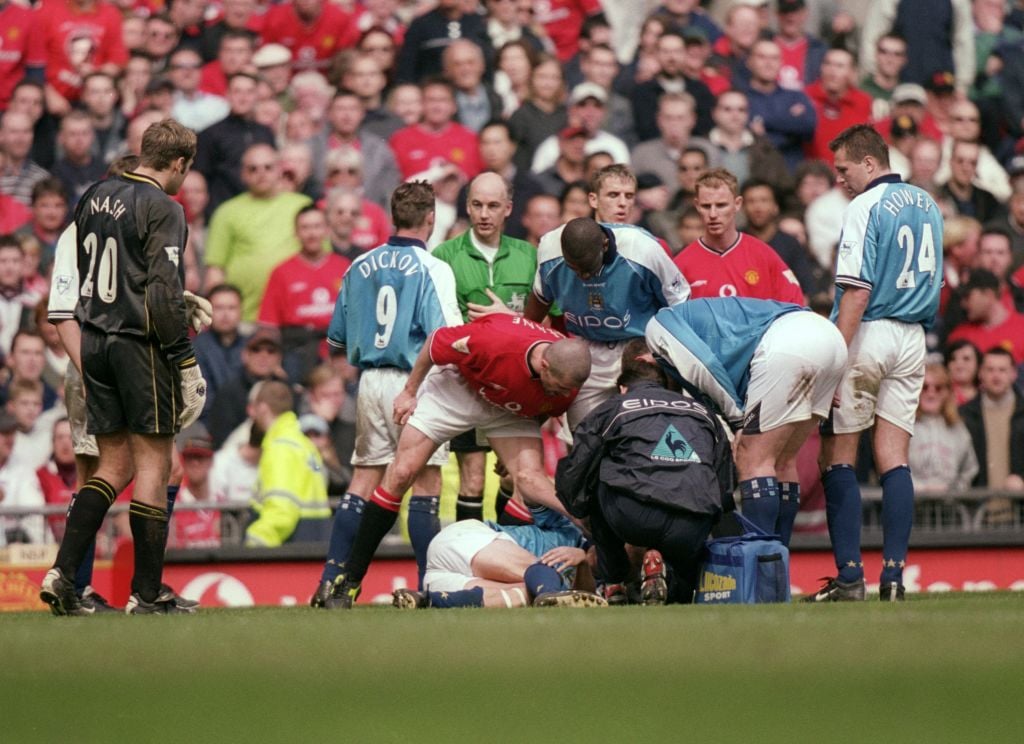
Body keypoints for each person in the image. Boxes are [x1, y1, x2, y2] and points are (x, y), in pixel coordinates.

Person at [40, 119, 207, 615]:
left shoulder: (94, 195)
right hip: (139, 346)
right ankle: (147, 592)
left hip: (95, 343)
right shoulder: (164, 208)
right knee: (154, 466)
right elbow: (158, 290)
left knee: (112, 466)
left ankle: (62, 571)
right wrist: (184, 358)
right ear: (178, 163)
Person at [325, 312, 591, 609]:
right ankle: (348, 581)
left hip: (510, 409)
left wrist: (516, 448)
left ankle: (571, 521)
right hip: (458, 389)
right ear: (544, 364)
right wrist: (409, 392)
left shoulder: (567, 379)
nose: (567, 394)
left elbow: (546, 406)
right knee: (401, 473)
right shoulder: (493, 343)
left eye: (570, 389)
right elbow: (434, 342)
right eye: (561, 386)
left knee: (528, 477)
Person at [311, 180, 462, 608]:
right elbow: (444, 337)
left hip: (369, 381)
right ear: (431, 218)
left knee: (363, 479)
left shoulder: (359, 264)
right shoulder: (434, 269)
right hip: (414, 380)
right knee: (426, 481)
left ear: (393, 217)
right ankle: (428, 586)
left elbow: (337, 340)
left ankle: (331, 580)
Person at [811, 124, 944, 603]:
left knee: (838, 455)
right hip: (913, 338)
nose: (841, 179)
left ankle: (850, 576)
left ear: (869, 163)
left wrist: (834, 359)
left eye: (844, 168)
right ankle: (893, 576)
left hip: (870, 332)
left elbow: (857, 289)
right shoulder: (928, 203)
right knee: (894, 457)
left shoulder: (864, 206)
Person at [646, 296, 846, 546]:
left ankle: (759, 565)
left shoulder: (657, 328)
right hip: (828, 338)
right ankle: (776, 568)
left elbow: (705, 367)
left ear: (643, 359)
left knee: (753, 459)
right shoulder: (703, 319)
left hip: (789, 343)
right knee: (782, 461)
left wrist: (738, 423)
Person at [556, 340, 733, 604]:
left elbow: (576, 472)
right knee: (680, 595)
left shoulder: (612, 409)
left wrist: (581, 511)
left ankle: (614, 584)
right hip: (693, 522)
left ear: (623, 387)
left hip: (634, 517)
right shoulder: (703, 412)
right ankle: (669, 578)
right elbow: (725, 483)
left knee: (594, 475)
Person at [526, 167, 691, 430]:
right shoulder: (551, 245)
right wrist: (523, 342)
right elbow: (539, 299)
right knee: (585, 440)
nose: (622, 202)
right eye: (614, 194)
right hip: (584, 350)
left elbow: (680, 303)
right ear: (592, 199)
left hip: (638, 348)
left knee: (646, 435)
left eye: (629, 196)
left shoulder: (645, 248)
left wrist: (662, 353)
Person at [432, 172, 539, 523]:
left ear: (508, 208)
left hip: (517, 385)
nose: (484, 214)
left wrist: (508, 318)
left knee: (516, 477)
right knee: (473, 479)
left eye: (493, 206)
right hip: (465, 384)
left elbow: (547, 326)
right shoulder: (444, 255)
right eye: (477, 205)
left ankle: (504, 548)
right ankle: (468, 558)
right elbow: (435, 324)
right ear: (466, 206)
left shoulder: (529, 255)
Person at [393, 507, 604, 609]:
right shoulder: (568, 528)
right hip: (464, 542)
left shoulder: (597, 575)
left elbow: (582, 601)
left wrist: (583, 561)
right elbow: (528, 482)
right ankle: (549, 594)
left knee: (523, 597)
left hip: (441, 582)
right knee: (540, 573)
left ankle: (426, 600)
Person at [204, 143, 312, 321]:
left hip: (299, 315)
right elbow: (215, 270)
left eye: (268, 167)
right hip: (244, 317)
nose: (261, 173)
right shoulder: (226, 212)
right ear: (243, 175)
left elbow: (322, 257)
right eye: (253, 169)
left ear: (279, 170)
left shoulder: (303, 205)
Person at [673, 168, 804, 304]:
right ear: (697, 206)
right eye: (706, 206)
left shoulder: (764, 256)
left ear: (737, 204)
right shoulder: (681, 265)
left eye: (721, 205)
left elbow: (795, 307)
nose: (713, 214)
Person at [258, 205, 351, 383]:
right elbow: (268, 327)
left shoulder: (345, 267)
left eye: (317, 226)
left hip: (338, 352)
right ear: (296, 233)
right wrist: (273, 362)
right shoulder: (281, 272)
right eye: (305, 228)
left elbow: (359, 318)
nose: (312, 233)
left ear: (326, 229)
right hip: (295, 352)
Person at [244, 380, 332, 546]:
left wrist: (253, 544)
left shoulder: (281, 447)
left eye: (254, 407)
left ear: (262, 407)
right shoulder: (303, 443)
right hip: (313, 542)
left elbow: (281, 511)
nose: (252, 415)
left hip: (289, 549)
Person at [958, 348, 1024, 525]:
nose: (996, 376)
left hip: (1019, 516)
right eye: (990, 369)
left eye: (1002, 370)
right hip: (976, 517)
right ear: (980, 373)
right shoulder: (963, 415)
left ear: (1013, 374)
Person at [909, 363, 978, 492]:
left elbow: (969, 469)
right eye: (924, 387)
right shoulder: (904, 427)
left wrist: (952, 490)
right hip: (913, 505)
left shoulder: (959, 429)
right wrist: (922, 489)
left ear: (947, 392)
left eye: (938, 388)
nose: (931, 392)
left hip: (950, 507)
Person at [947, 270, 1024, 366]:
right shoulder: (960, 337)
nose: (963, 304)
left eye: (967, 296)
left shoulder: (1022, 328)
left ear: (988, 295)